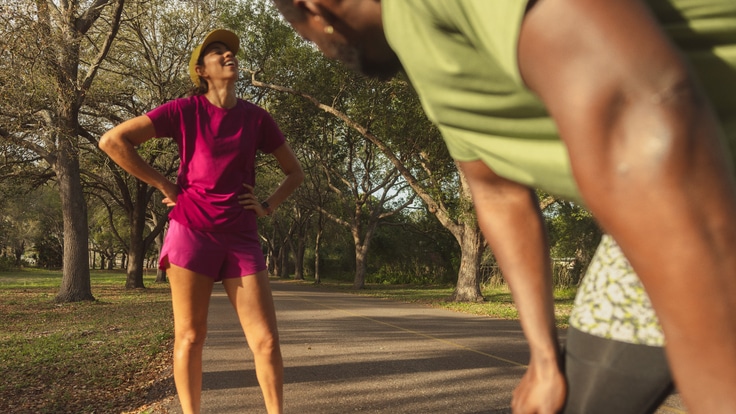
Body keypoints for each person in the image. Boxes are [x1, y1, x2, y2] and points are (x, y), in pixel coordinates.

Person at [269, 1, 736, 413]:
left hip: (692, 180)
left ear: (315, 10)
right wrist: (544, 359)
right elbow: (495, 188)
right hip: (658, 205)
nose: (319, 51)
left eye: (302, 36)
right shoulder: (425, 56)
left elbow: (634, 121)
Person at [99, 29, 303, 414]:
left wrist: (268, 204)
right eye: (218, 52)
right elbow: (112, 141)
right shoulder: (184, 110)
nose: (229, 56)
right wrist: (163, 183)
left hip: (241, 236)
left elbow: (295, 172)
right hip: (191, 233)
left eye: (231, 52)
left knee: (267, 341)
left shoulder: (257, 118)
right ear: (201, 70)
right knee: (191, 336)